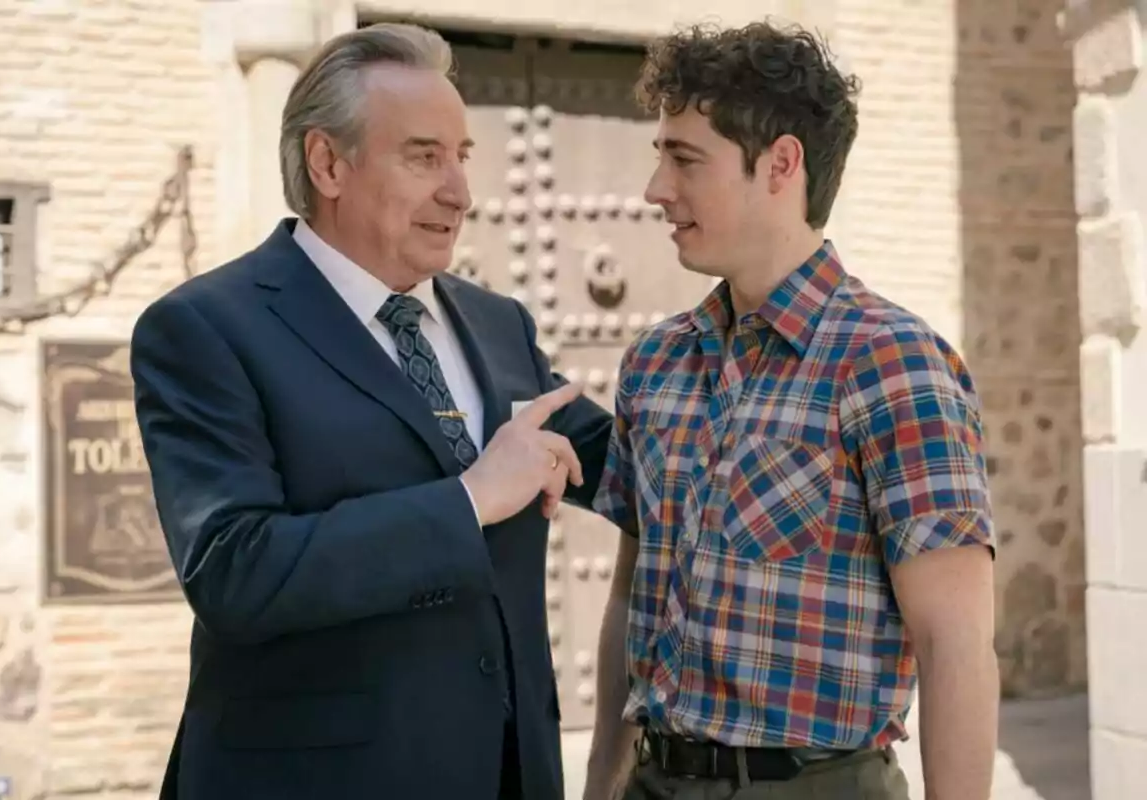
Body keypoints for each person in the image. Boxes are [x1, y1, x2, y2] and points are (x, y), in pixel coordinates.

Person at [130, 23, 612, 800]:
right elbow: (234, 571)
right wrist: (470, 500)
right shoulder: (204, 328)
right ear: (328, 163)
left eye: (462, 158)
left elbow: (639, 469)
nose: (458, 191)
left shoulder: (500, 325)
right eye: (424, 156)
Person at [583, 21, 997, 800]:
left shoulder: (895, 365)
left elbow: (957, 643)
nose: (656, 191)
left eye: (684, 158)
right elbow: (625, 598)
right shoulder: (655, 362)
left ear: (780, 165)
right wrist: (602, 784)